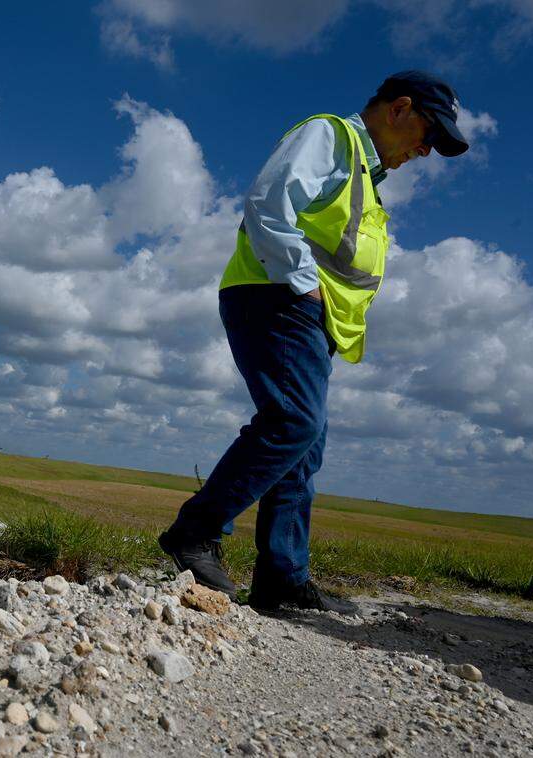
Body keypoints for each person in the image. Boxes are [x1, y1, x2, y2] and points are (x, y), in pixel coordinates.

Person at [158, 71, 469, 615]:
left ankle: (282, 579)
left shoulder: (368, 179)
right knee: (293, 424)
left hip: (306, 315)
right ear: (399, 109)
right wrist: (304, 286)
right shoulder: (330, 136)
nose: (425, 151)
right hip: (277, 297)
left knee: (306, 443)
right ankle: (194, 532)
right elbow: (269, 203)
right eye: (428, 133)